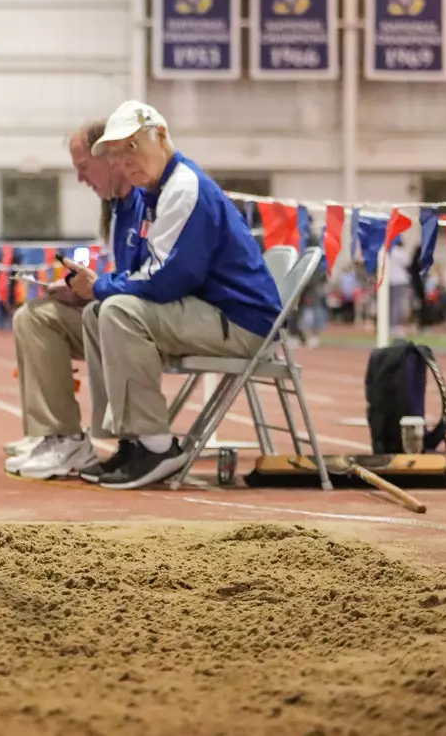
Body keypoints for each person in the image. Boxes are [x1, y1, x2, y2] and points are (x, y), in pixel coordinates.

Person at [61, 100, 283, 490]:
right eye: (116, 155)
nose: (125, 162)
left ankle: (158, 446)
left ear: (160, 136)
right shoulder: (156, 192)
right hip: (212, 311)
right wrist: (101, 290)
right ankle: (131, 440)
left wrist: (99, 285)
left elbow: (166, 280)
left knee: (117, 311)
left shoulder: (183, 189)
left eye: (132, 147)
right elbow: (153, 275)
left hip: (241, 322)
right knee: (100, 312)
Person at [6, 119, 142, 480]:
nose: (81, 179)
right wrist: (80, 293)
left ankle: (72, 437)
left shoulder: (149, 202)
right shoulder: (116, 211)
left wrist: (97, 288)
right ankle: (55, 435)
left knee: (42, 318)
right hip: (117, 315)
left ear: (110, 157)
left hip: (140, 323)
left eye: (84, 168)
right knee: (33, 316)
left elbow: (152, 280)